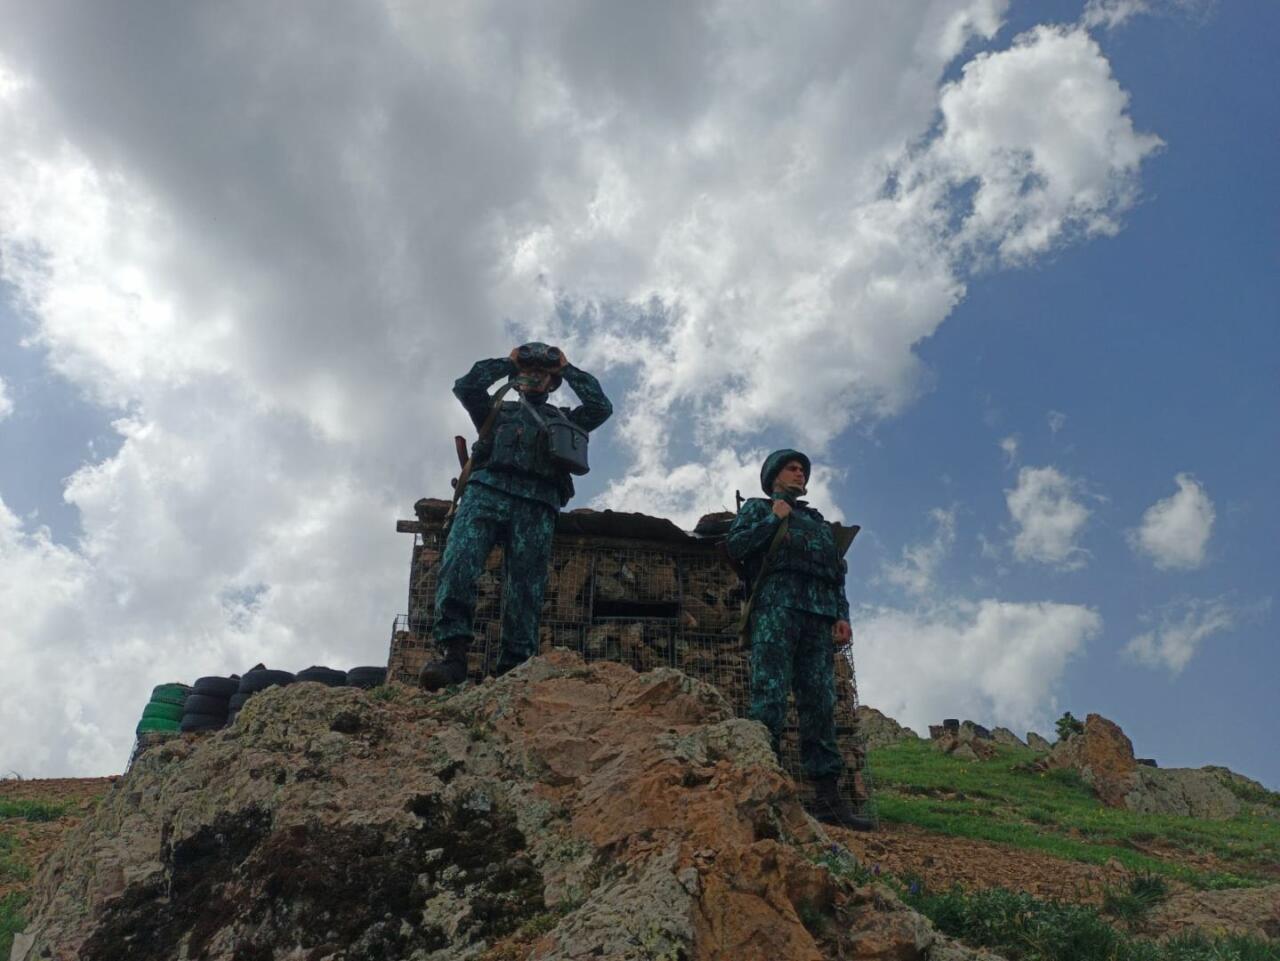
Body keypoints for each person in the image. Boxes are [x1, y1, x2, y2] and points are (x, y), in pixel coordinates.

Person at [418, 343, 612, 690]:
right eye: (528, 371)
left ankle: (515, 667)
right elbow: (466, 386)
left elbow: (600, 407)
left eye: (542, 374)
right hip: (486, 491)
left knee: (526, 586)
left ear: (552, 384)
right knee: (459, 561)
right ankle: (452, 654)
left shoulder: (564, 419)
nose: (534, 377)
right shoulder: (496, 411)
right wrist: (508, 363)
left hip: (537, 502)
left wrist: (565, 368)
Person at [726, 449, 871, 830]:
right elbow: (736, 547)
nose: (800, 473)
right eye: (792, 468)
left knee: (820, 704)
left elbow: (836, 573)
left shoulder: (817, 523)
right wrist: (773, 519)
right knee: (770, 696)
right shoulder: (758, 509)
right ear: (773, 476)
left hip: (818, 617)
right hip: (776, 609)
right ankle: (764, 789)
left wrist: (842, 615)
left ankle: (828, 802)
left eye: (803, 470)